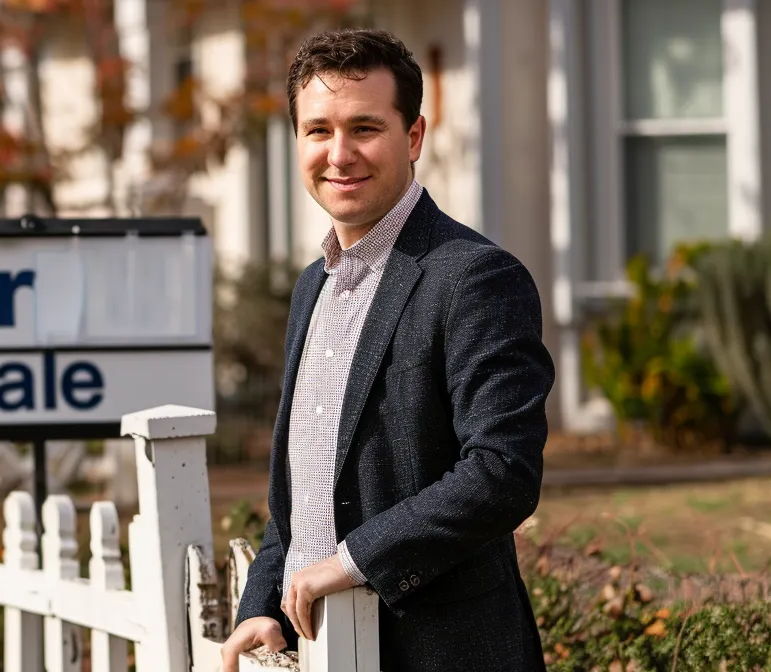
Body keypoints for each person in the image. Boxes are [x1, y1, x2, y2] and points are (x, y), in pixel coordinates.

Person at [221, 28, 554, 671]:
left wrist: (350, 563)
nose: (338, 154)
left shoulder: (474, 276)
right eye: (318, 131)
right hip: (319, 654)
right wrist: (261, 602)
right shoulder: (310, 287)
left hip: (439, 653)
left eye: (364, 127)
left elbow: (503, 473)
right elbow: (301, 493)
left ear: (414, 137)